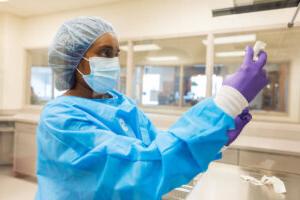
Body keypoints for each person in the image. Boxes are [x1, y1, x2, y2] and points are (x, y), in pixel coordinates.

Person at [36, 16, 268, 200]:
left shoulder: (120, 103)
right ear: (73, 59)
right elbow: (144, 166)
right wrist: (227, 101)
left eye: (116, 54)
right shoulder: (59, 118)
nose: (114, 62)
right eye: (105, 53)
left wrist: (215, 135)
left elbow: (160, 146)